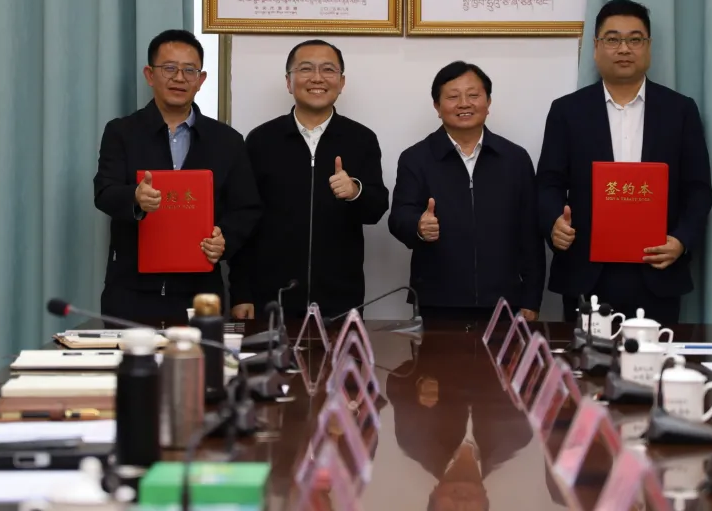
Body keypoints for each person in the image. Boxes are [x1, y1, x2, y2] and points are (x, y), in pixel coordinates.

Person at [535, 0, 712, 325]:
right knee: (587, 357)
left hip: (657, 268)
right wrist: (553, 223)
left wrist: (681, 240)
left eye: (635, 39)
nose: (624, 49)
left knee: (655, 357)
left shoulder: (680, 111)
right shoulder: (567, 111)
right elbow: (548, 183)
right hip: (587, 272)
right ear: (596, 47)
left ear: (648, 47)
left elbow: (698, 189)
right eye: (613, 39)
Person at [93, 29, 262, 326]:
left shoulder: (227, 140)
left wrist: (225, 238)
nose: (179, 78)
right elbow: (104, 191)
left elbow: (245, 210)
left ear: (201, 79)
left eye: (189, 70)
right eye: (169, 68)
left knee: (200, 358)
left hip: (200, 294)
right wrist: (134, 196)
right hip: (130, 292)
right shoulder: (122, 132)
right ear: (150, 75)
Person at [228, 40, 389, 320]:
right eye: (305, 69)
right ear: (288, 82)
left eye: (328, 70)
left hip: (340, 298)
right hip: (271, 297)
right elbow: (243, 219)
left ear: (341, 82)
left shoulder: (361, 139)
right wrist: (241, 293)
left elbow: (376, 210)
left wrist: (354, 192)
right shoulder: (261, 140)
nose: (317, 78)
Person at [389, 62, 545, 321]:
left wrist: (531, 297)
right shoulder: (416, 158)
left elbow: (530, 232)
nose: (464, 103)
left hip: (505, 300)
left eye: (473, 95)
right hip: (437, 299)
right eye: (453, 96)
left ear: (488, 102)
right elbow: (398, 217)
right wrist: (418, 225)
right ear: (437, 106)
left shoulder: (515, 159)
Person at [386, 332, 531, 511]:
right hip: (505, 327)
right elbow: (536, 373)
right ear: (486, 500)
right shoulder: (517, 437)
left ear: (433, 494)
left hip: (446, 323)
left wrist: (417, 384)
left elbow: (395, 382)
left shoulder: (414, 440)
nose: (461, 504)